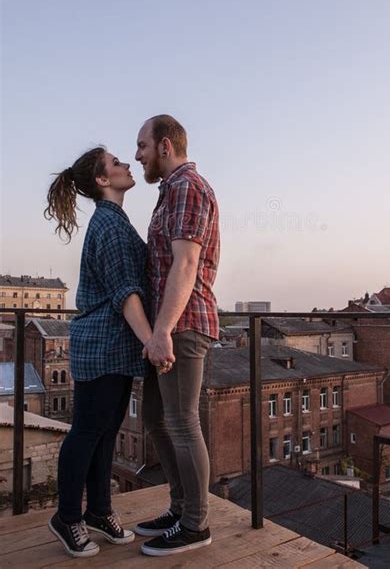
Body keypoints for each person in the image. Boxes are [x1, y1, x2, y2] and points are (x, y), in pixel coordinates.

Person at [44, 146, 157, 558]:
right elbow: (125, 294)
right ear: (102, 181)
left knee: (106, 432)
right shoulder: (108, 225)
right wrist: (152, 341)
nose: (127, 163)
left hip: (114, 348)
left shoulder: (115, 220)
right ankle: (68, 517)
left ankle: (100, 511)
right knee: (87, 433)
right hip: (101, 346)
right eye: (115, 163)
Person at [134, 115, 220, 557]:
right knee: (154, 417)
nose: (137, 155)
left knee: (184, 423)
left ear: (165, 146)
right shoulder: (169, 192)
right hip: (165, 331)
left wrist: (163, 331)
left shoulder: (188, 187)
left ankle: (196, 524)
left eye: (142, 146)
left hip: (182, 328)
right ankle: (180, 507)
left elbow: (186, 265)